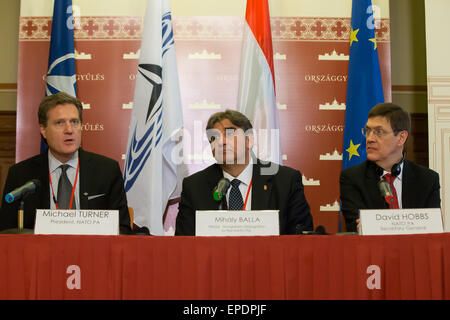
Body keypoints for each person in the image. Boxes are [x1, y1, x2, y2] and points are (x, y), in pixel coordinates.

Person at [0, 92, 132, 234]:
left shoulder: (107, 170)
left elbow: (122, 229)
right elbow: (7, 232)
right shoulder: (21, 174)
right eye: (60, 123)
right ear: (43, 130)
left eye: (74, 122)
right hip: (40, 254)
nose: (69, 130)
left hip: (93, 253)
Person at [175, 109, 313, 235]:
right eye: (214, 137)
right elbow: (184, 245)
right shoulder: (194, 187)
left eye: (229, 134)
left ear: (249, 140)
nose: (221, 142)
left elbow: (301, 240)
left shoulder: (285, 181)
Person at [340, 103, 441, 232]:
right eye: (368, 131)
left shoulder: (427, 180)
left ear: (401, 138)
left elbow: (432, 229)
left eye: (379, 132)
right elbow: (356, 228)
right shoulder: (352, 178)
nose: (369, 138)